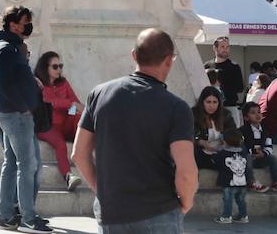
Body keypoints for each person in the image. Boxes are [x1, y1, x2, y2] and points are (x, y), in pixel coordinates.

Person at [71, 28, 197, 234]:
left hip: (112, 212)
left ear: (134, 55)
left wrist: (101, 191)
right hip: (159, 210)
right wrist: (186, 203)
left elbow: (79, 155)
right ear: (169, 60)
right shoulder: (176, 108)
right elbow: (186, 172)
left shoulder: (98, 94)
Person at [0, 6, 45, 233]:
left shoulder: (9, 47)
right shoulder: (6, 50)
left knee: (12, 165)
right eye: (25, 22)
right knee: (28, 165)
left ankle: (7, 216)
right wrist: (24, 108)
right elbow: (6, 85)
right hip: (15, 114)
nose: (28, 26)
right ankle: (28, 218)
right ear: (13, 25)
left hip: (13, 113)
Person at [32, 51, 83, 190]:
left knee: (78, 116)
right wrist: (69, 104)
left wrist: (73, 108)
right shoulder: (38, 84)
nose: (59, 69)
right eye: (55, 67)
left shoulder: (63, 83)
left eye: (60, 66)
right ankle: (68, 176)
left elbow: (77, 103)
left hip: (64, 124)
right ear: (45, 67)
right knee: (60, 144)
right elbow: (47, 102)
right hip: (46, 126)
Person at [238, 100, 277, 193]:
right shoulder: (242, 131)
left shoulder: (265, 130)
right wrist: (255, 152)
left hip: (259, 158)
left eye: (259, 112)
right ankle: (251, 182)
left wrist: (264, 153)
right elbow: (243, 146)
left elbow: (269, 146)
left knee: (272, 158)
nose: (257, 115)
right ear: (246, 117)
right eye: (253, 113)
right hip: (246, 160)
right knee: (247, 157)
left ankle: (276, 182)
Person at [191, 85, 238, 170]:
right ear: (202, 102)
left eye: (215, 102)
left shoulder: (226, 114)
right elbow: (190, 134)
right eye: (208, 102)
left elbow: (233, 132)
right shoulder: (194, 115)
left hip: (222, 150)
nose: (211, 106)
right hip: (202, 151)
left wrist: (226, 140)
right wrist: (201, 142)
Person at [206, 37, 245, 124]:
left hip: (229, 106)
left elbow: (240, 88)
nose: (225, 49)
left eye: (227, 47)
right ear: (215, 48)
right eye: (222, 46)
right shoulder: (207, 66)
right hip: (211, 108)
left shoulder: (234, 67)